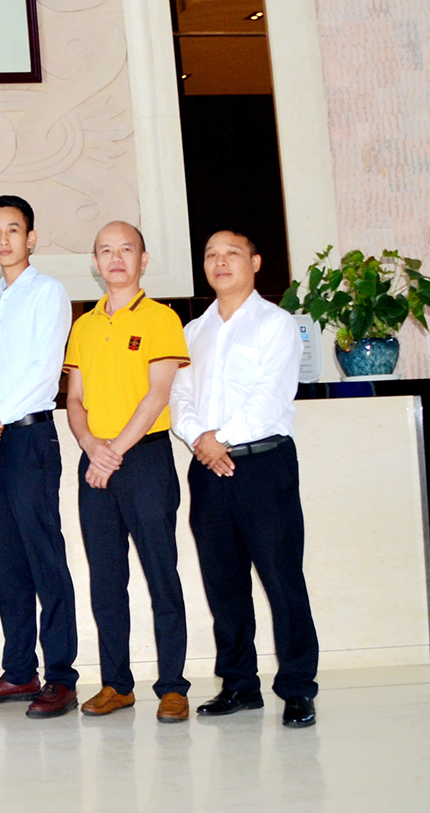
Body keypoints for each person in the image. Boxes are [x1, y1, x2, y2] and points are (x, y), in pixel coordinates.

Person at [171, 227, 320, 729]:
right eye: (211, 255)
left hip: (262, 465)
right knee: (224, 583)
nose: (219, 262)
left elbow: (270, 394)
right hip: (207, 469)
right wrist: (200, 440)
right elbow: (179, 396)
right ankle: (239, 684)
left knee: (282, 579)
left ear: (255, 263)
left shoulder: (277, 324)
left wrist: (221, 439)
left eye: (231, 253)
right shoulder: (192, 331)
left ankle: (297, 688)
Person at [65, 220, 192, 723]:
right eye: (105, 251)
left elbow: (157, 396)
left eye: (126, 249)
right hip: (95, 460)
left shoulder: (162, 319)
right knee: (106, 578)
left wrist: (112, 452)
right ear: (95, 263)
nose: (115, 259)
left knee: (161, 572)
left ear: (143, 259)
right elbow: (74, 400)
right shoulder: (84, 325)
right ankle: (116, 684)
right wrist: (90, 445)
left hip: (144, 459)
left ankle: (173, 687)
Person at [0, 196, 80, 719]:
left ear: (31, 238)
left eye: (14, 229)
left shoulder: (48, 292)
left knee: (43, 557)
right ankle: (18, 671)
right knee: (6, 561)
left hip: (30, 439)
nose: (4, 239)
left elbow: (43, 371)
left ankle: (61, 677)